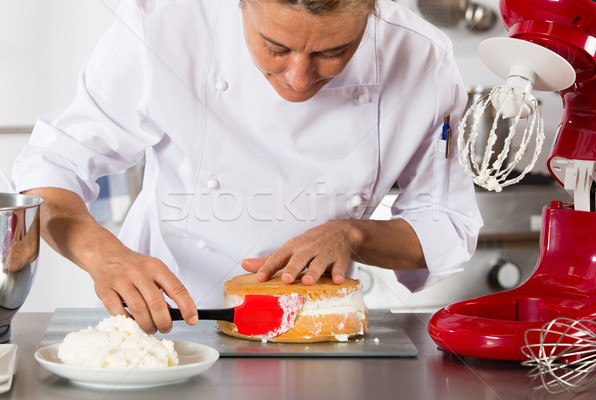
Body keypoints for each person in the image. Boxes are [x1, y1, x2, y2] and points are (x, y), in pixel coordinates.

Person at [12, 0, 482, 334]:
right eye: (275, 47)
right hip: (167, 326)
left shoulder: (422, 57)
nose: (299, 78)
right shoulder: (162, 25)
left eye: (332, 52)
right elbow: (51, 166)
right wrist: (101, 254)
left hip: (317, 332)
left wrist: (353, 234)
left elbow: (449, 224)